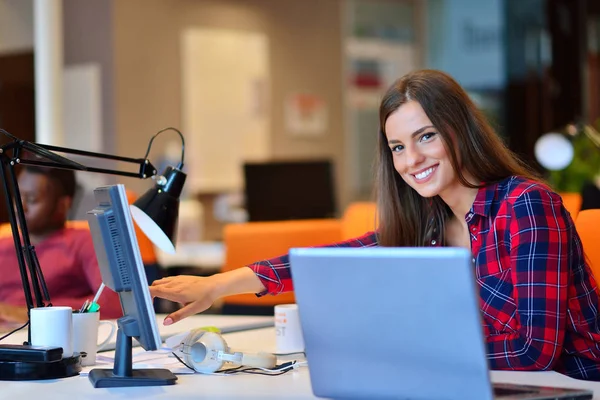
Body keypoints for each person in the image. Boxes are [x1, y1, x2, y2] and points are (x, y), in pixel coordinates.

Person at [149, 69, 600, 380]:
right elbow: (328, 261)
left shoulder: (526, 207)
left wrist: (401, 350)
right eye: (398, 147)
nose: (413, 159)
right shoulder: (430, 222)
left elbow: (533, 352)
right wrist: (218, 286)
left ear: (460, 130)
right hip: (482, 384)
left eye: (426, 136)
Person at [0, 166, 122, 323]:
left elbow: (114, 304)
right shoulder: (4, 245)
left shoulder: (84, 243)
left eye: (32, 199)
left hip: (49, 336)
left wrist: (31, 313)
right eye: (17, 197)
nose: (20, 207)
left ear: (63, 204)